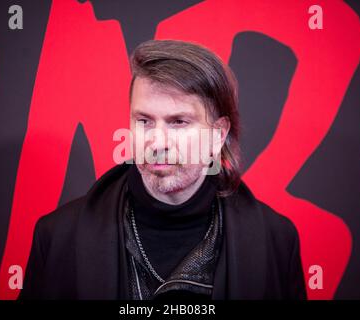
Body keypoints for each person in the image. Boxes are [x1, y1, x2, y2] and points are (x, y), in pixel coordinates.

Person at [19, 39, 307, 300]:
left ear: (217, 135)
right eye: (144, 121)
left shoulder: (277, 242)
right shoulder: (57, 237)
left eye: (178, 122)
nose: (157, 142)